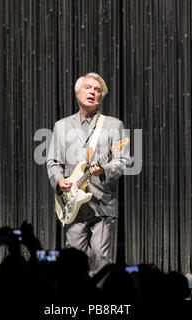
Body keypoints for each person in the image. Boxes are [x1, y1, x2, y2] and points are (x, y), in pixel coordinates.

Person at [47, 72, 129, 276]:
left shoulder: (113, 125)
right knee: (74, 260)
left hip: (102, 201)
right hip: (72, 202)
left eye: (97, 90)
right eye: (88, 87)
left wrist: (105, 170)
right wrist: (59, 180)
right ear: (77, 93)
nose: (92, 92)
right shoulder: (62, 126)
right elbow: (53, 161)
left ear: (101, 97)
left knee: (101, 257)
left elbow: (122, 160)